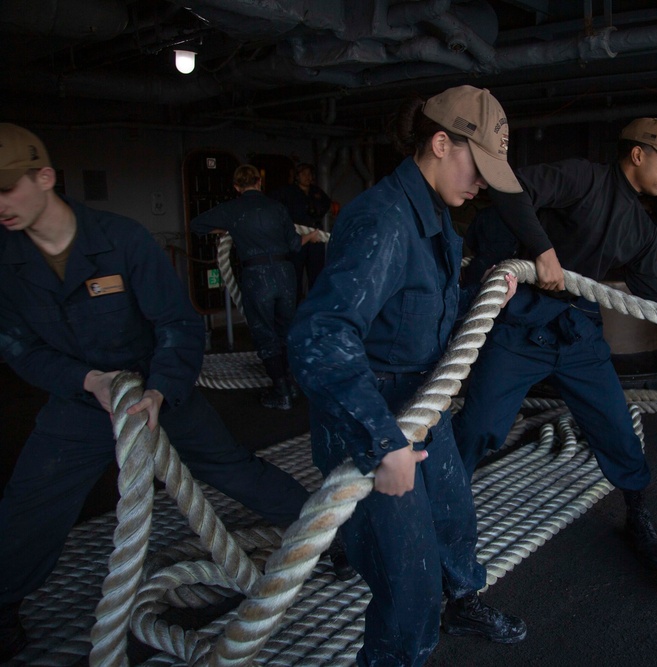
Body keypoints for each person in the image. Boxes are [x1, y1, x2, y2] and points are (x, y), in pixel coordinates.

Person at [0, 124, 311, 662]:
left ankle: (324, 533)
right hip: (80, 402)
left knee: (231, 468)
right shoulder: (5, 262)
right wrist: (87, 382)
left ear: (44, 177)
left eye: (6, 188)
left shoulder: (122, 240)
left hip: (158, 390)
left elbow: (179, 325)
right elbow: (19, 348)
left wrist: (162, 390)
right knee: (29, 505)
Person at [287, 85, 526, 666]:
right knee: (409, 583)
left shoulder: (434, 212)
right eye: (478, 168)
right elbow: (320, 336)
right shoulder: (384, 220)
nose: (483, 185)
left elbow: (415, 307)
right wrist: (382, 443)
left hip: (422, 397)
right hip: (373, 413)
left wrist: (483, 287)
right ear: (441, 143)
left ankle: (462, 600)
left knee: (454, 517)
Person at [453, 117, 657, 572]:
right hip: (521, 324)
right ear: (637, 154)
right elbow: (510, 190)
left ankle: (637, 516)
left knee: (618, 429)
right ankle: (434, 509)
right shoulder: (583, 178)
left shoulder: (642, 231)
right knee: (477, 427)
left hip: (578, 329)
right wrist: (540, 252)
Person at [191, 164, 321, 410]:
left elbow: (197, 225)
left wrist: (227, 229)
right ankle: (292, 383)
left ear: (237, 187)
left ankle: (281, 391)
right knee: (286, 329)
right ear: (260, 183)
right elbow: (294, 245)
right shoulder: (277, 207)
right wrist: (311, 237)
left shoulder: (232, 209)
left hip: (256, 276)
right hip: (285, 274)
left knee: (264, 332)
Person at [272, 163, 332, 297]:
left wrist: (318, 212)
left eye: (309, 174)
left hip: (315, 238)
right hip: (297, 237)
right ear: (297, 176)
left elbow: (327, 203)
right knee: (295, 273)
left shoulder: (316, 192)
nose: (307, 177)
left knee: (316, 274)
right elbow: (274, 205)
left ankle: (315, 305)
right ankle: (295, 306)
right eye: (304, 174)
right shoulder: (287, 192)